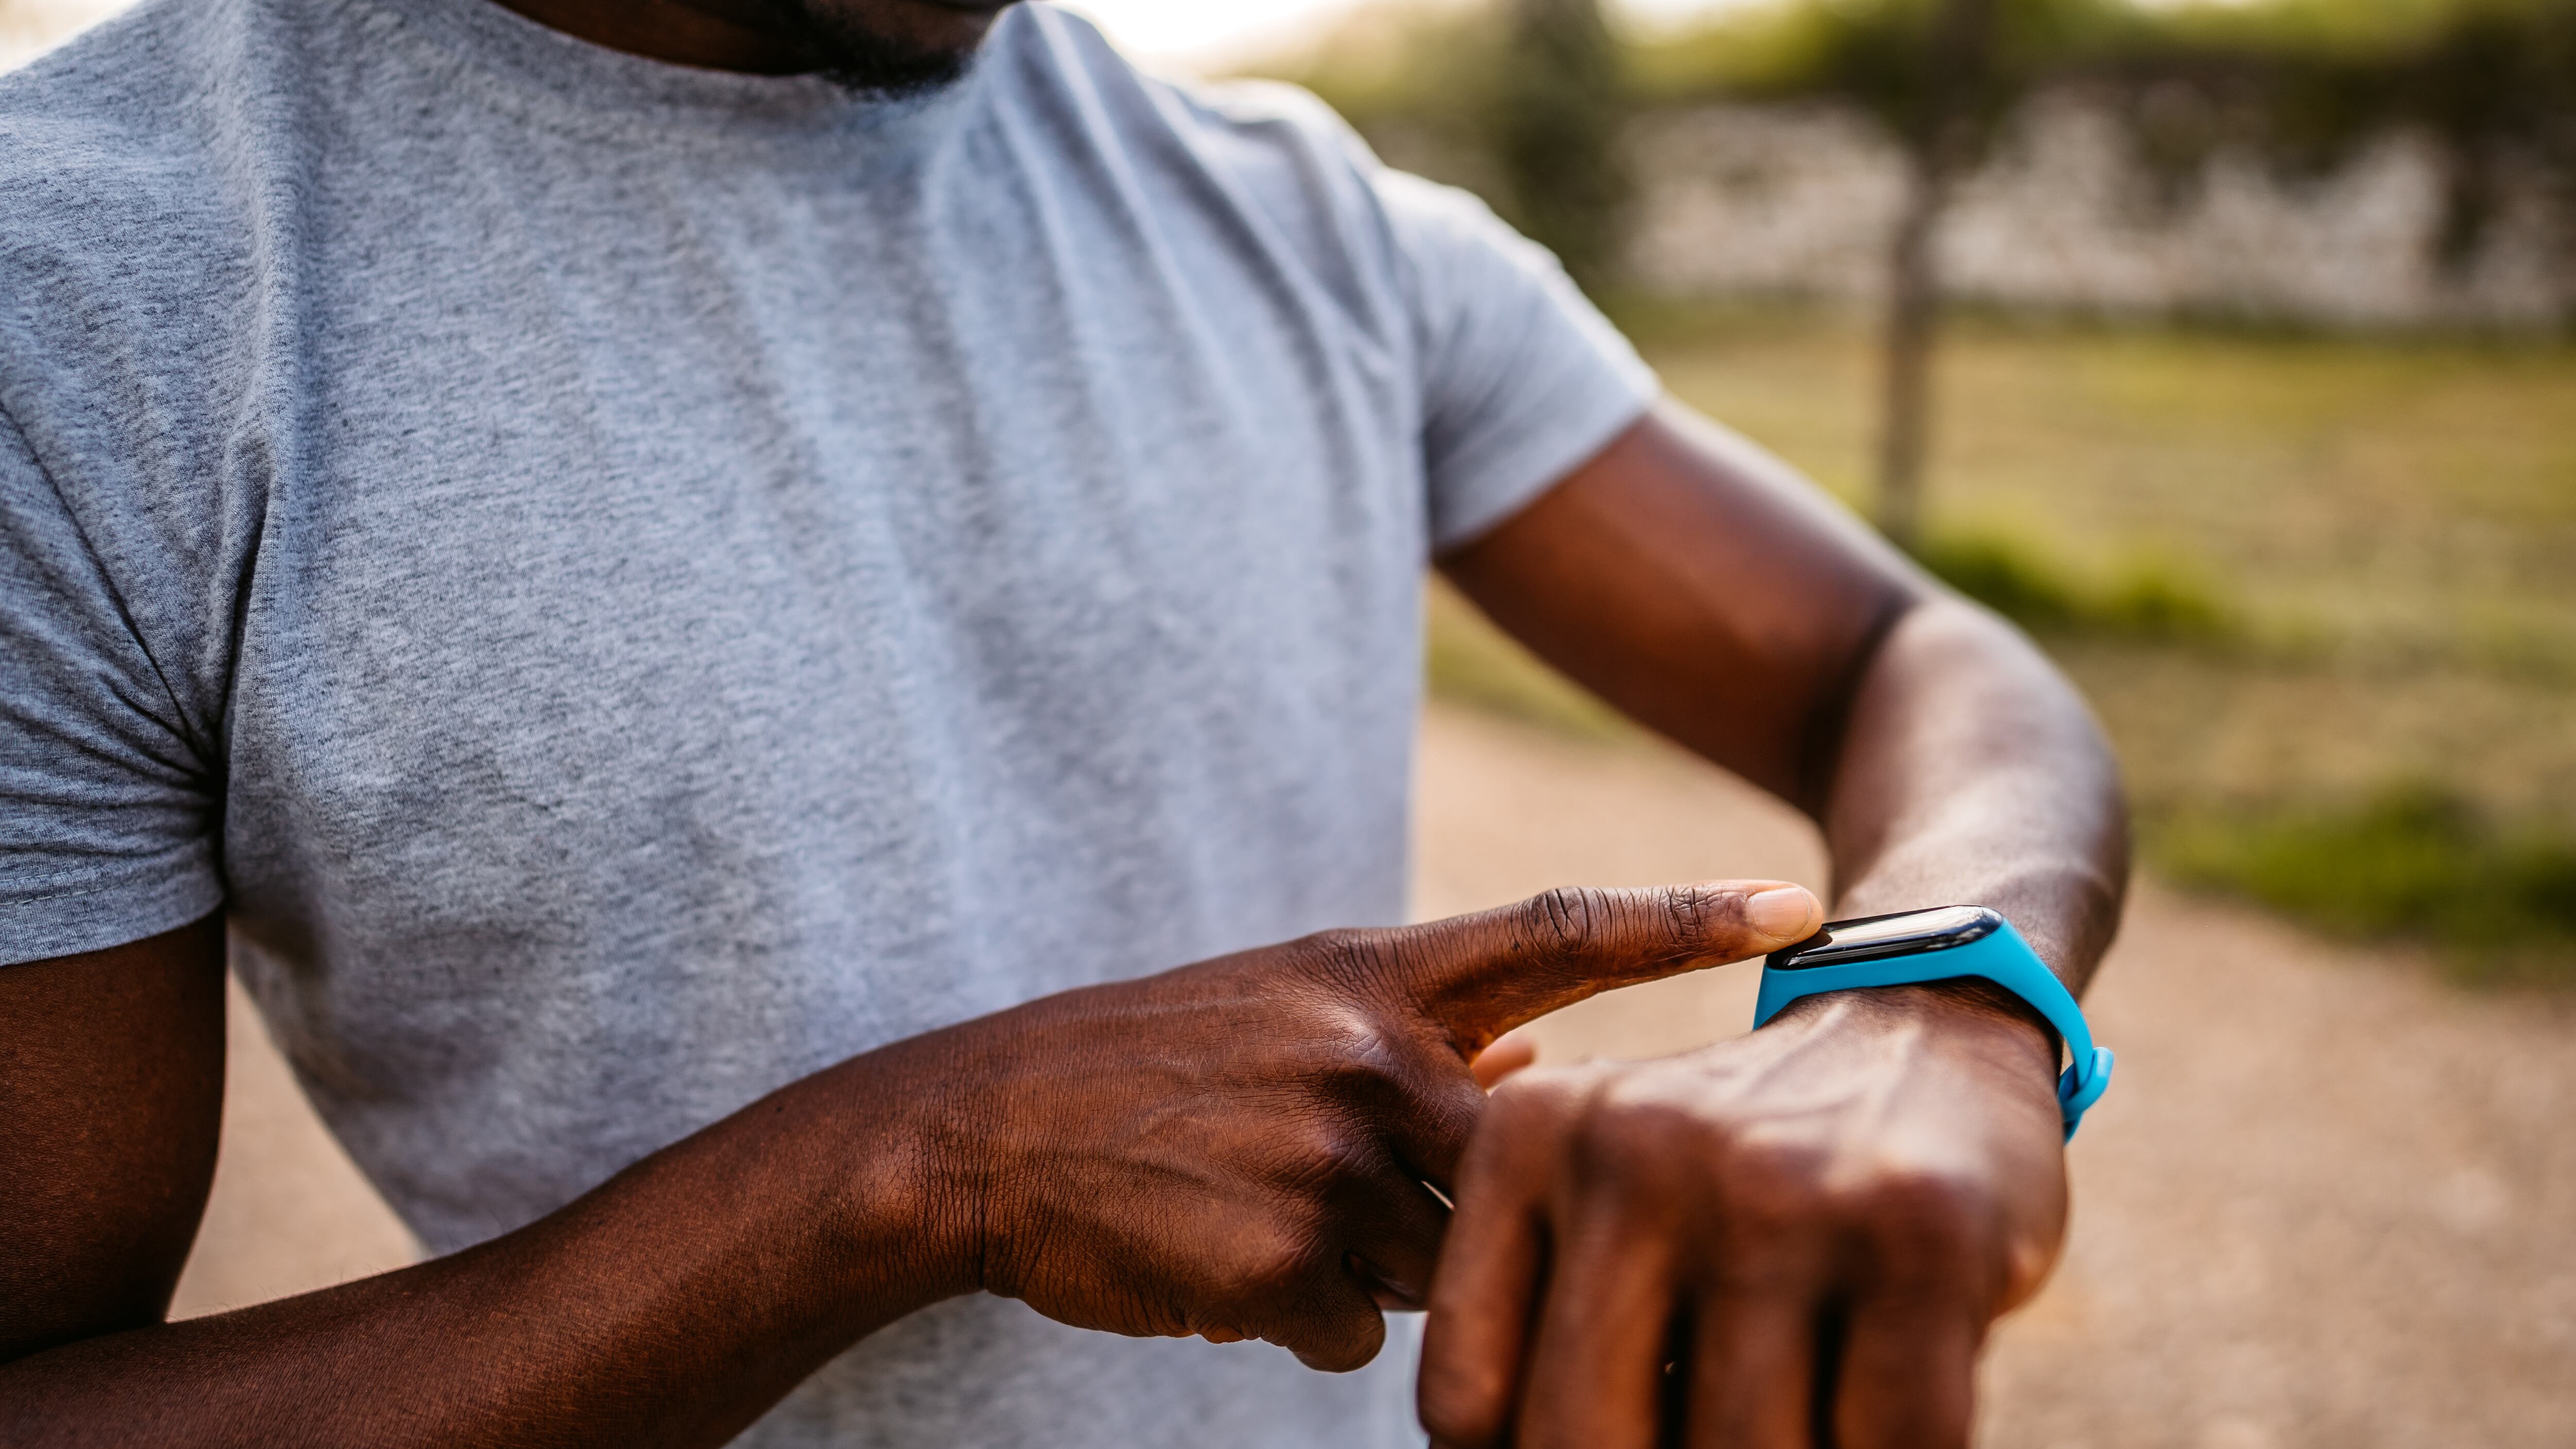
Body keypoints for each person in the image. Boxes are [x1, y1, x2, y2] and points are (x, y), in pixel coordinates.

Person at [0, 0, 2128, 1444]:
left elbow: (1899, 658)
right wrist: (920, 1164)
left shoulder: (1304, 221)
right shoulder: (90, 300)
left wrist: (1930, 1003)